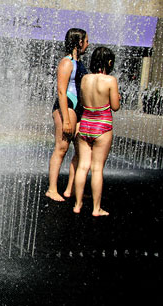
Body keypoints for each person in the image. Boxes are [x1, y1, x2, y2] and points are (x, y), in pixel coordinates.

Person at [73, 47, 119, 216]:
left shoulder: (85, 79)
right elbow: (115, 106)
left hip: (85, 124)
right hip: (102, 126)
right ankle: (96, 208)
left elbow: (83, 101)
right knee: (97, 168)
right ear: (109, 62)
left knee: (83, 166)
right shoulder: (110, 81)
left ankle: (77, 205)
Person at [45, 28, 89, 202]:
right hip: (66, 106)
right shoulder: (66, 62)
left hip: (78, 108)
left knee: (81, 149)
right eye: (86, 41)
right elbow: (62, 91)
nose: (88, 44)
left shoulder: (80, 63)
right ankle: (52, 189)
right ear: (79, 42)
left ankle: (70, 189)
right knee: (61, 148)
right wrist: (66, 120)